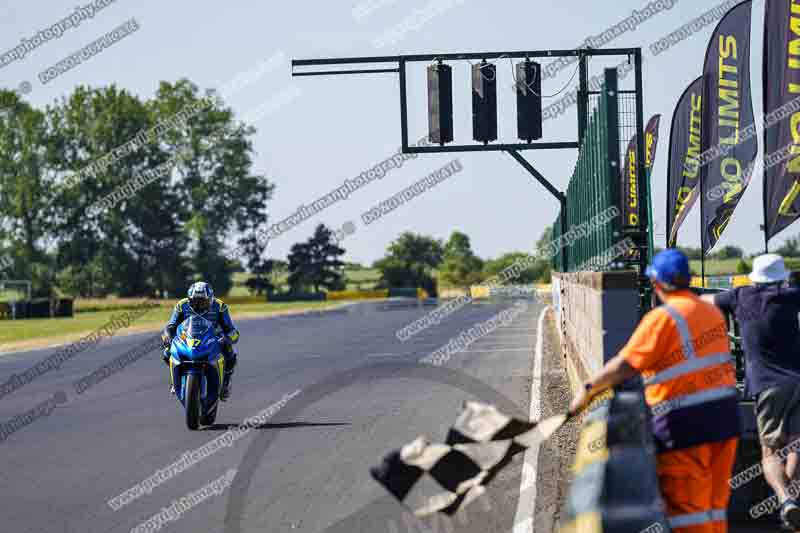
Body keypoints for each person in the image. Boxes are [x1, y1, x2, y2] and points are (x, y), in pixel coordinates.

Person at [570, 249, 741, 533]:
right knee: (715, 503)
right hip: (725, 419)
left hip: (685, 424)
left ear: (657, 283)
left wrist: (588, 389)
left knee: (688, 509)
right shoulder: (711, 312)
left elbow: (625, 366)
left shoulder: (662, 318)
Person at [702, 254, 800, 530]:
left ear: (755, 278)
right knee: (796, 445)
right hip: (798, 381)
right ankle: (792, 504)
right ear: (781, 278)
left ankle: (785, 500)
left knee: (770, 452)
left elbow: (703, 301)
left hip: (766, 385)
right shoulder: (791, 296)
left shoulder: (740, 296)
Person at [161, 281, 240, 401]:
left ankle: (225, 383)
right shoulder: (181, 305)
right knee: (167, 352)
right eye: (195, 302)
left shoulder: (220, 306)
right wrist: (167, 336)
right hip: (187, 337)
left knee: (230, 354)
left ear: (210, 300)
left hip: (212, 338)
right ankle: (175, 380)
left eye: (202, 302)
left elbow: (232, 331)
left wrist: (227, 339)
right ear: (189, 300)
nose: (198, 305)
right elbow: (171, 325)